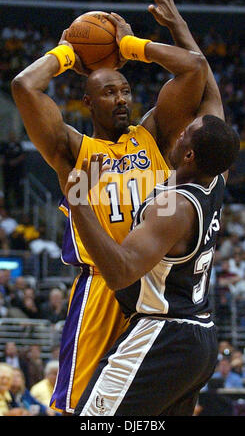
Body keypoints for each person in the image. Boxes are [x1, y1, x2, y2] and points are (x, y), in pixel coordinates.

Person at [11, 0, 208, 413]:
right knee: (83, 410)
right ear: (87, 101)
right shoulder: (73, 148)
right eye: (108, 92)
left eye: (125, 90)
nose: (121, 99)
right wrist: (68, 52)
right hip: (102, 288)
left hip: (157, 293)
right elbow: (24, 86)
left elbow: (194, 68)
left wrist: (129, 47)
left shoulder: (153, 135)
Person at [66, 115, 240, 415]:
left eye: (187, 132)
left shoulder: (174, 208)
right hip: (197, 336)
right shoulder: (216, 178)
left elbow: (120, 273)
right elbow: (200, 70)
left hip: (164, 334)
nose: (180, 131)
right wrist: (143, 62)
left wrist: (79, 200)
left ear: (189, 154)